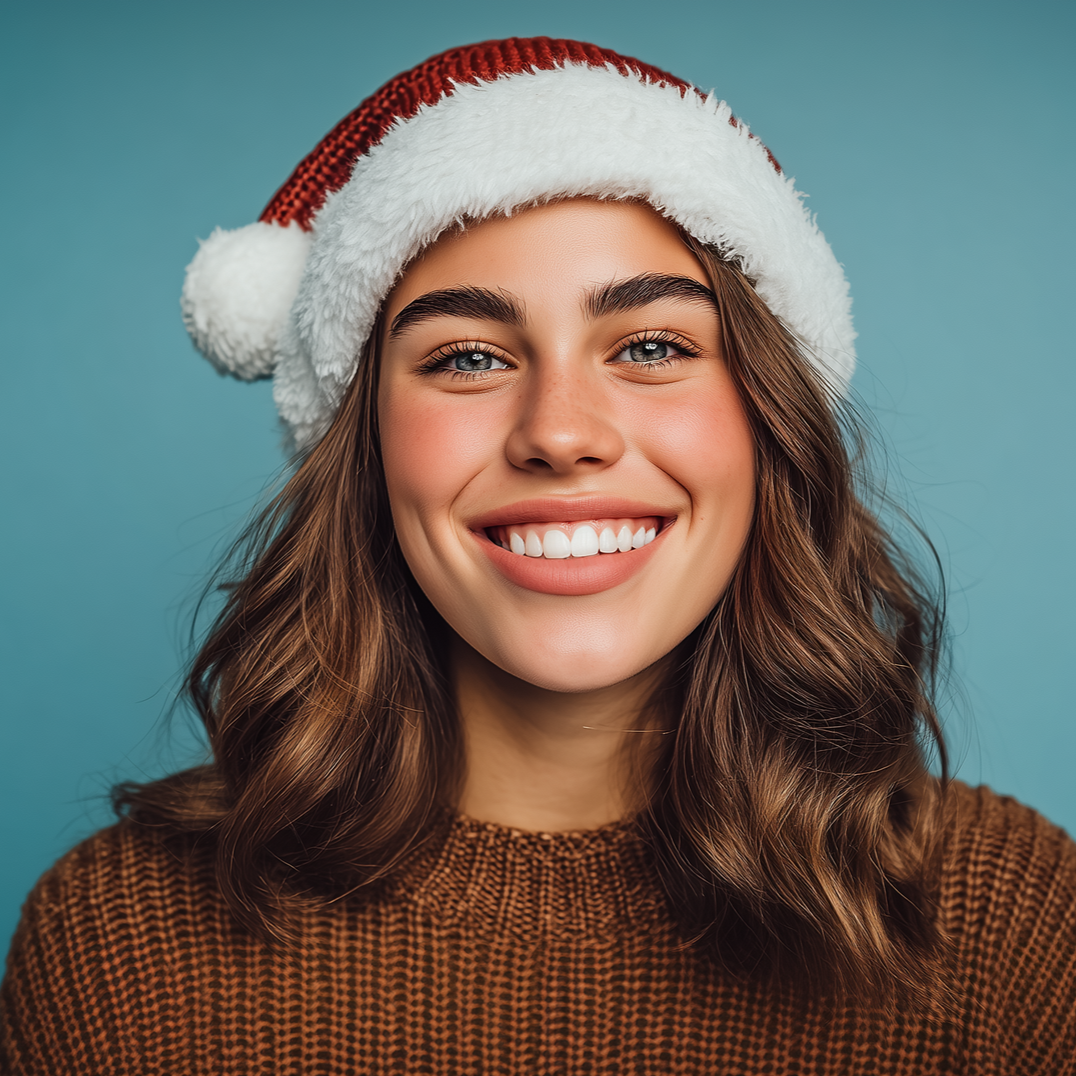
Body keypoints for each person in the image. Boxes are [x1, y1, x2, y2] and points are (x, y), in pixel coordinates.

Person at [2, 36, 1074, 1075]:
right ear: (364, 446)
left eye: (650, 345)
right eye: (467, 358)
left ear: (768, 420)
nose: (559, 432)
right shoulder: (117, 942)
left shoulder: (1014, 928)